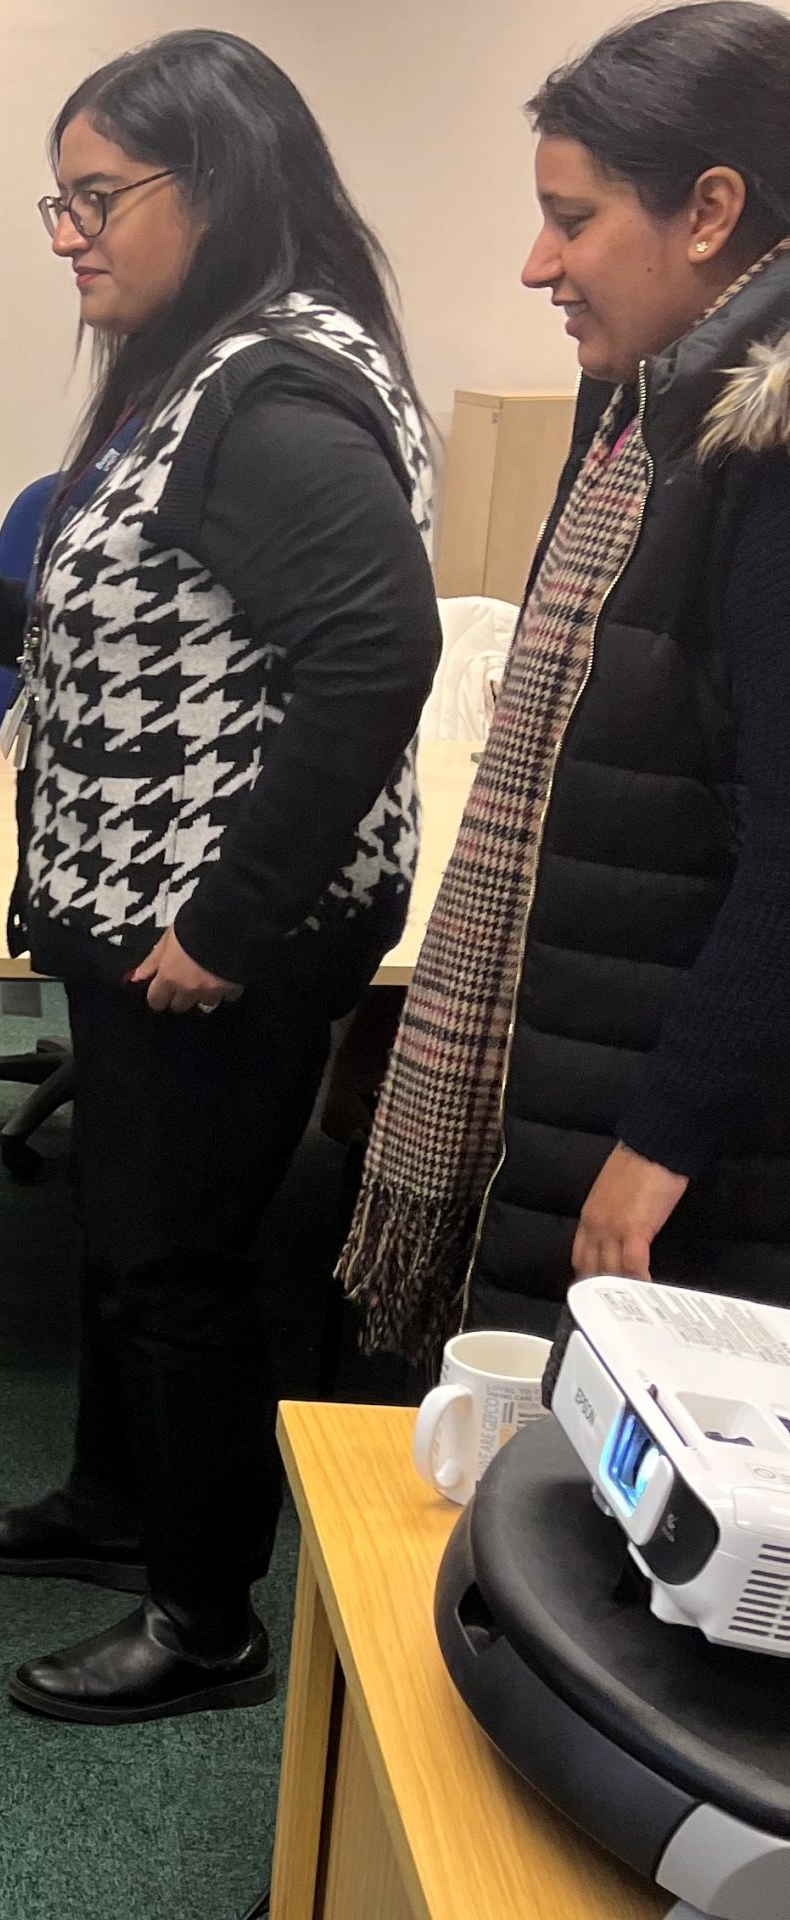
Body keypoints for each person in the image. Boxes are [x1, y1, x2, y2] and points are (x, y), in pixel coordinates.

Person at [0, 30, 440, 1724]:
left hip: (212, 930)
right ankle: (116, 1504)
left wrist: (228, 915)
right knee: (127, 1237)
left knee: (183, 1260)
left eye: (98, 196)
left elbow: (371, 656)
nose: (66, 231)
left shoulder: (273, 391)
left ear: (218, 186)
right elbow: (181, 635)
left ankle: (206, 1613)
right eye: (53, 199)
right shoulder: (196, 362)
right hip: (139, 907)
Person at [342, 1, 790, 1354]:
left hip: (689, 1131)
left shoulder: (763, 457)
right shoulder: (645, 413)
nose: (540, 263)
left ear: (711, 209)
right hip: (603, 1048)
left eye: (574, 218)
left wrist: (660, 1137)